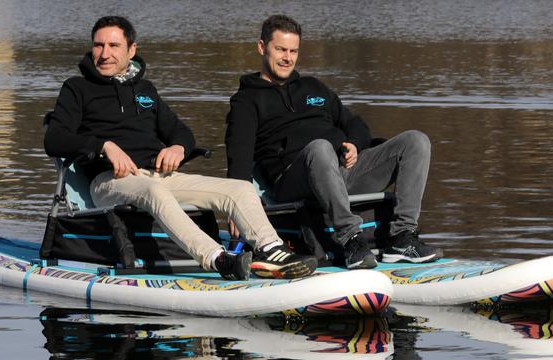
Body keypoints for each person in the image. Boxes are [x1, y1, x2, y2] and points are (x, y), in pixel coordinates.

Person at [44, 16, 316, 280]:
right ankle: (218, 259)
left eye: (114, 46)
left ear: (131, 50)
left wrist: (178, 148)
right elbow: (54, 139)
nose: (105, 54)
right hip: (110, 182)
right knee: (155, 190)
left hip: (159, 176)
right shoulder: (76, 89)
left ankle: (273, 251)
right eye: (98, 45)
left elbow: (181, 132)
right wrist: (104, 146)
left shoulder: (145, 90)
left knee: (239, 189)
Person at [225, 15, 442, 269]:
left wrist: (355, 144)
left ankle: (402, 238)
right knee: (320, 148)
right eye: (281, 49)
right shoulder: (245, 101)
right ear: (262, 47)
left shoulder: (313, 88)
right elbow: (238, 158)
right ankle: (351, 240)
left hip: (342, 172)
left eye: (294, 51)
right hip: (293, 180)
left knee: (415, 141)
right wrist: (236, 208)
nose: (288, 58)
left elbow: (356, 124)